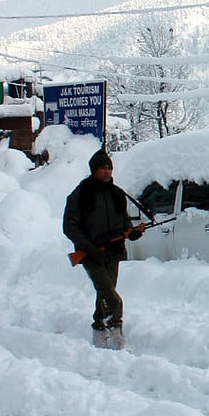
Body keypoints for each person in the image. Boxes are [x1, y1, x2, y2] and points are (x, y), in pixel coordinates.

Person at [62, 148, 142, 350]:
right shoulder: (81, 194)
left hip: (113, 251)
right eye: (103, 168)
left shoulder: (117, 194)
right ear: (93, 170)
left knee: (105, 292)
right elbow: (70, 226)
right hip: (90, 253)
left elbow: (124, 222)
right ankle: (116, 330)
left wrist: (132, 232)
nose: (107, 172)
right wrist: (88, 248)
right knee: (109, 294)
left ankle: (99, 330)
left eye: (110, 168)